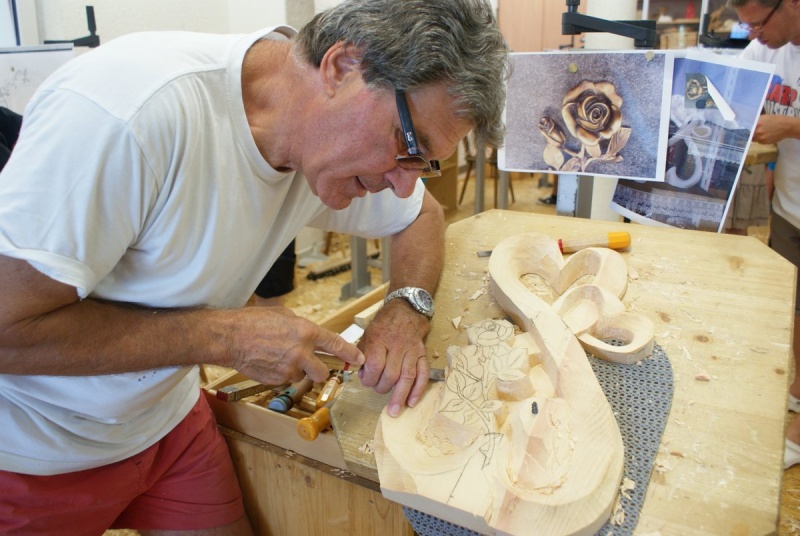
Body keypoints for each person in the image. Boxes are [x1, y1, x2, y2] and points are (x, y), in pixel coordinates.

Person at [0, 0, 510, 533]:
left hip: (163, 423)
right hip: (31, 452)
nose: (405, 184)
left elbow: (421, 216)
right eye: (409, 145)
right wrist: (225, 337)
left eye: (425, 163)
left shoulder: (318, 136)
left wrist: (405, 308)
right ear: (341, 68)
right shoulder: (128, 114)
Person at [730, 0, 800, 468]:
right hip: (791, 207)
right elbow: (727, 86)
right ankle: (798, 388)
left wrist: (791, 126)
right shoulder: (766, 50)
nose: (753, 34)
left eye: (758, 22)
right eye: (746, 25)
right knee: (796, 308)